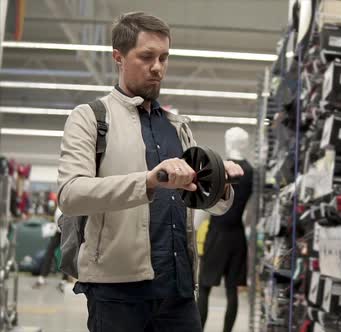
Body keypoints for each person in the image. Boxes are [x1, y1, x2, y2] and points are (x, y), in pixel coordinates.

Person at [57, 12, 243, 332]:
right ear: (118, 57)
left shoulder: (177, 126)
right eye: (146, 57)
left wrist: (219, 182)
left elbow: (206, 202)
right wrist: (148, 180)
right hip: (117, 293)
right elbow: (70, 195)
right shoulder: (91, 118)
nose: (157, 67)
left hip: (178, 290)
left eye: (164, 57)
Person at [198, 127, 253, 332]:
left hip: (217, 232)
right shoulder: (251, 171)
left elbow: (205, 203)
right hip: (237, 235)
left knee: (204, 287)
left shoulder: (218, 167)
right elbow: (251, 211)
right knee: (232, 290)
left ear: (229, 142)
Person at [32, 206, 69, 292]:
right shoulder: (58, 205)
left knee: (67, 255)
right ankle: (42, 277)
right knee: (49, 252)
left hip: (67, 232)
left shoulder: (68, 202)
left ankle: (64, 280)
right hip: (57, 232)